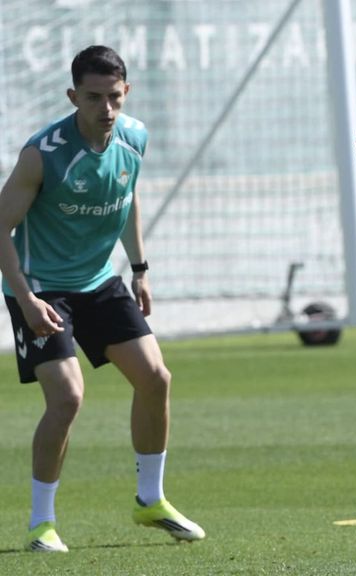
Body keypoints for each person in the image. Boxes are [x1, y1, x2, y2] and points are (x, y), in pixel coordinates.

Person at [0, 45, 205, 552]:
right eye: (93, 97)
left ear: (126, 93)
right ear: (73, 96)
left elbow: (128, 195)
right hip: (42, 288)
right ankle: (41, 524)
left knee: (156, 377)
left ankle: (149, 500)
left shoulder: (134, 138)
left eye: (113, 96)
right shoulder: (42, 154)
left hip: (99, 281)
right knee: (67, 397)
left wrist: (139, 268)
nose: (105, 108)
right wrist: (24, 300)